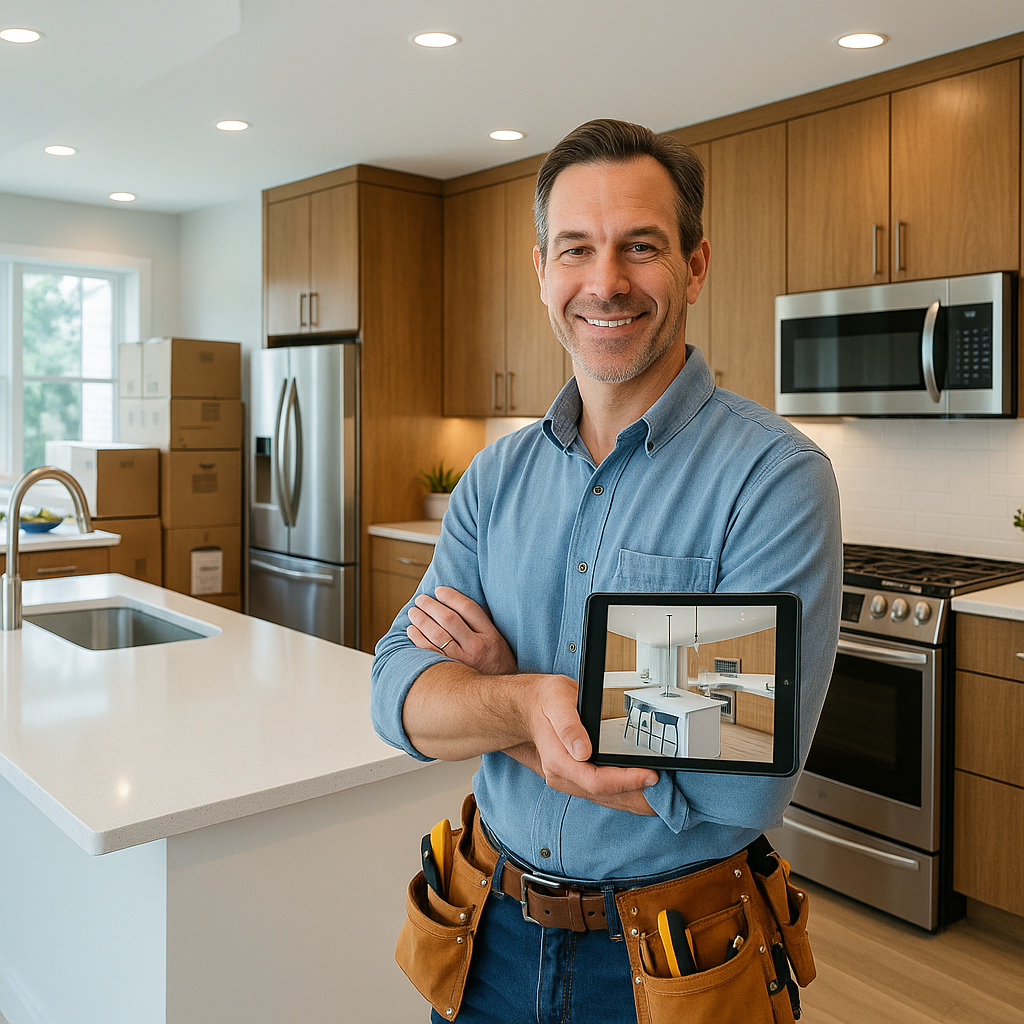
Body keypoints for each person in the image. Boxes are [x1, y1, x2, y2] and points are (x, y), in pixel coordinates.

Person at [371, 118, 841, 1024]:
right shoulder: (495, 477)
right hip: (485, 933)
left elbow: (737, 780)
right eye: (577, 248)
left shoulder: (774, 478)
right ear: (541, 268)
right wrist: (532, 705)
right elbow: (396, 694)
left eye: (642, 247)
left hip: (679, 958)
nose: (606, 282)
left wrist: (493, 696)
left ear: (696, 266)